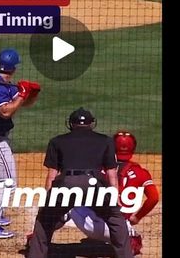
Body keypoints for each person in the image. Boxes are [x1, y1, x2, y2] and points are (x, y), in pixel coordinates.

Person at [27, 108, 134, 258]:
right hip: (94, 185)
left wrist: (49, 200)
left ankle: (36, 255)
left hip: (66, 184)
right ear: (91, 124)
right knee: (115, 218)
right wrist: (114, 197)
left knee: (46, 218)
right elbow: (111, 173)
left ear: (70, 124)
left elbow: (52, 175)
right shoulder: (106, 141)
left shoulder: (57, 141)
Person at [0, 48, 40, 238]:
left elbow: (23, 103)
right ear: (13, 67)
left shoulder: (4, 85)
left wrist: (30, 93)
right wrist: (21, 94)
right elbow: (5, 111)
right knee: (9, 183)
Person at [70, 131, 159, 255]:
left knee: (68, 200)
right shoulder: (141, 172)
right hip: (120, 229)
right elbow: (154, 198)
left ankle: (40, 235)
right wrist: (136, 217)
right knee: (134, 236)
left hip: (90, 225)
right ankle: (128, 243)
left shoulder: (96, 168)